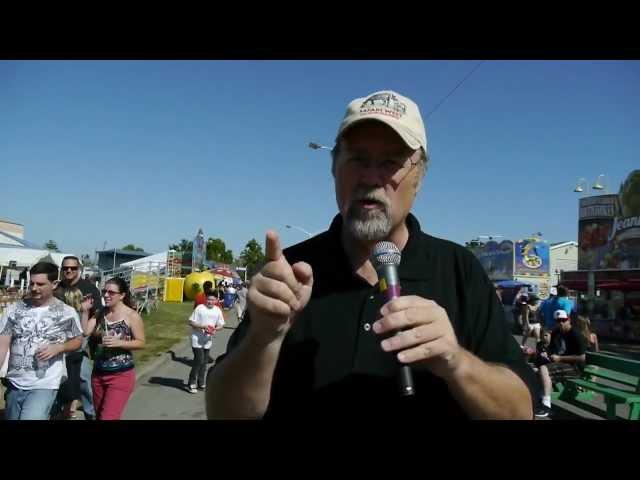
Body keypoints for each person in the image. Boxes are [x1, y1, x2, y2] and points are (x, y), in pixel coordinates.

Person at [206, 89, 537, 420]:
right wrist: (263, 340)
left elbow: (520, 411)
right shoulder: (290, 273)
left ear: (419, 176)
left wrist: (455, 361)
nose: (370, 177)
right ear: (334, 167)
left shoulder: (460, 270)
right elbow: (222, 412)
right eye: (358, 159)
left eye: (391, 162)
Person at [0, 262, 83, 420]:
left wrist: (59, 347)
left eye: (40, 284)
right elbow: (2, 344)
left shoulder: (66, 312)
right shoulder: (13, 310)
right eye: (32, 283)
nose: (34, 288)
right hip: (15, 381)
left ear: (54, 284)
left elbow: (78, 340)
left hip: (45, 383)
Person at [84, 277, 145, 420]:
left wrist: (119, 343)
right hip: (98, 374)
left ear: (122, 295)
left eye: (111, 292)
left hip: (121, 375)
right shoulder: (101, 312)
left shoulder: (132, 316)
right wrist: (85, 311)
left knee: (108, 417)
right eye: (105, 291)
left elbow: (141, 342)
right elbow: (86, 331)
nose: (106, 295)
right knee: (100, 416)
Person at [54, 255, 102, 420]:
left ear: (79, 269)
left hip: (81, 335)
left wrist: (85, 332)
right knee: (73, 376)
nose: (69, 270)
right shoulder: (56, 288)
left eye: (73, 268)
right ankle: (63, 409)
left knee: (80, 377)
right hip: (58, 337)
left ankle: (91, 413)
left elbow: (96, 315)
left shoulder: (89, 288)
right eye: (65, 268)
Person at [534, 309, 586, 418]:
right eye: (558, 321)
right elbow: (552, 349)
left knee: (543, 369)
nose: (561, 323)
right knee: (537, 370)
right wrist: (547, 354)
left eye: (563, 320)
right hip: (560, 364)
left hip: (575, 368)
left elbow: (582, 357)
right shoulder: (556, 332)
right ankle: (539, 400)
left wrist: (560, 358)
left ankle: (546, 406)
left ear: (569, 320)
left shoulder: (576, 334)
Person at [187, 291, 225, 393]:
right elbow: (191, 322)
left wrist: (215, 329)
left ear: (216, 300)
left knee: (204, 362)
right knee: (198, 360)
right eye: (208, 299)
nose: (210, 302)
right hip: (196, 338)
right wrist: (203, 326)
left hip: (207, 340)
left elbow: (221, 324)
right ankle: (191, 383)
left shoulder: (217, 310)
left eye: (212, 300)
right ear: (205, 300)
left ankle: (201, 382)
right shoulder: (200, 308)